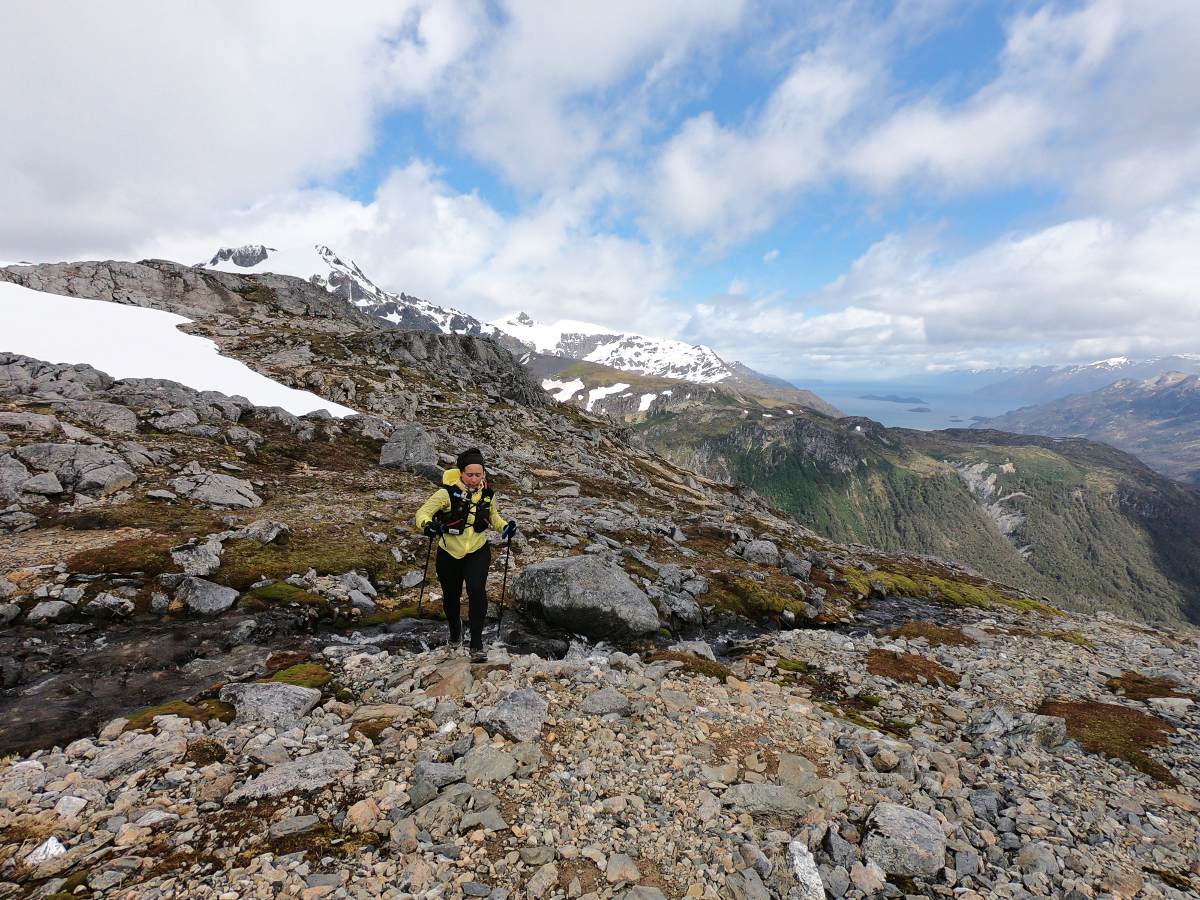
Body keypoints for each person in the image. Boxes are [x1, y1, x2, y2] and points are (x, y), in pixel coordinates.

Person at [415, 448, 516, 661]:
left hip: (478, 550)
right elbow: (422, 513)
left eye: (478, 475)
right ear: (461, 473)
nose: (474, 479)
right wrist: (428, 525)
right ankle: (455, 633)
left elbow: (494, 516)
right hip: (449, 552)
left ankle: (477, 644)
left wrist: (505, 527)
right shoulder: (445, 493)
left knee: (477, 589)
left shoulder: (488, 494)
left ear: (483, 474)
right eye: (469, 474)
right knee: (451, 596)